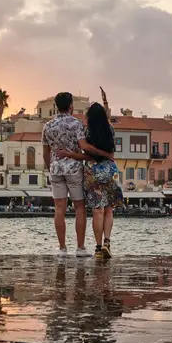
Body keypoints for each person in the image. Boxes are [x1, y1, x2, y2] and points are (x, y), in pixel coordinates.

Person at [42, 92, 112, 257]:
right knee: (80, 208)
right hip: (74, 169)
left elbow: (45, 152)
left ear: (56, 107)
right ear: (71, 106)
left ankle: (62, 248)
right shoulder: (76, 124)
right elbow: (84, 147)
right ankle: (80, 248)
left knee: (59, 209)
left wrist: (50, 167)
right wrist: (102, 153)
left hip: (56, 170)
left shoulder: (48, 125)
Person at [56, 102, 123, 259]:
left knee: (97, 211)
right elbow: (110, 152)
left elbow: (87, 155)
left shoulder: (87, 132)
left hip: (93, 171)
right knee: (109, 210)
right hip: (110, 170)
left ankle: (98, 248)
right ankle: (107, 242)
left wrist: (69, 154)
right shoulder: (111, 130)